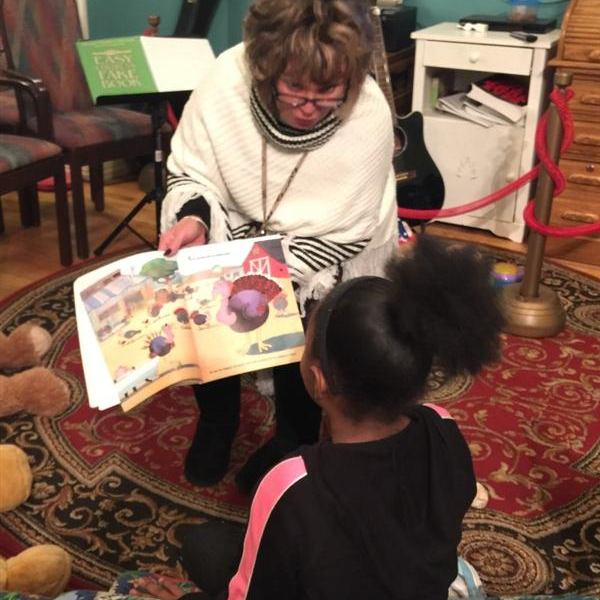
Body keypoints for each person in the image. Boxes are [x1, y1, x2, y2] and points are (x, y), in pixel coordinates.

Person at [130, 235, 505, 600]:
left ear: (319, 380)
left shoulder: (290, 484)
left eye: (303, 343)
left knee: (201, 545)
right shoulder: (443, 426)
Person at [158, 0, 397, 490]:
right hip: (236, 222)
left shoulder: (368, 111)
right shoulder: (227, 79)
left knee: (306, 322)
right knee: (208, 301)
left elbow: (349, 228)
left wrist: (265, 272)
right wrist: (194, 220)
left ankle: (295, 432)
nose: (309, 107)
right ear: (265, 71)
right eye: (294, 89)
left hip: (326, 242)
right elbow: (192, 170)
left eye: (328, 91)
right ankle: (219, 418)